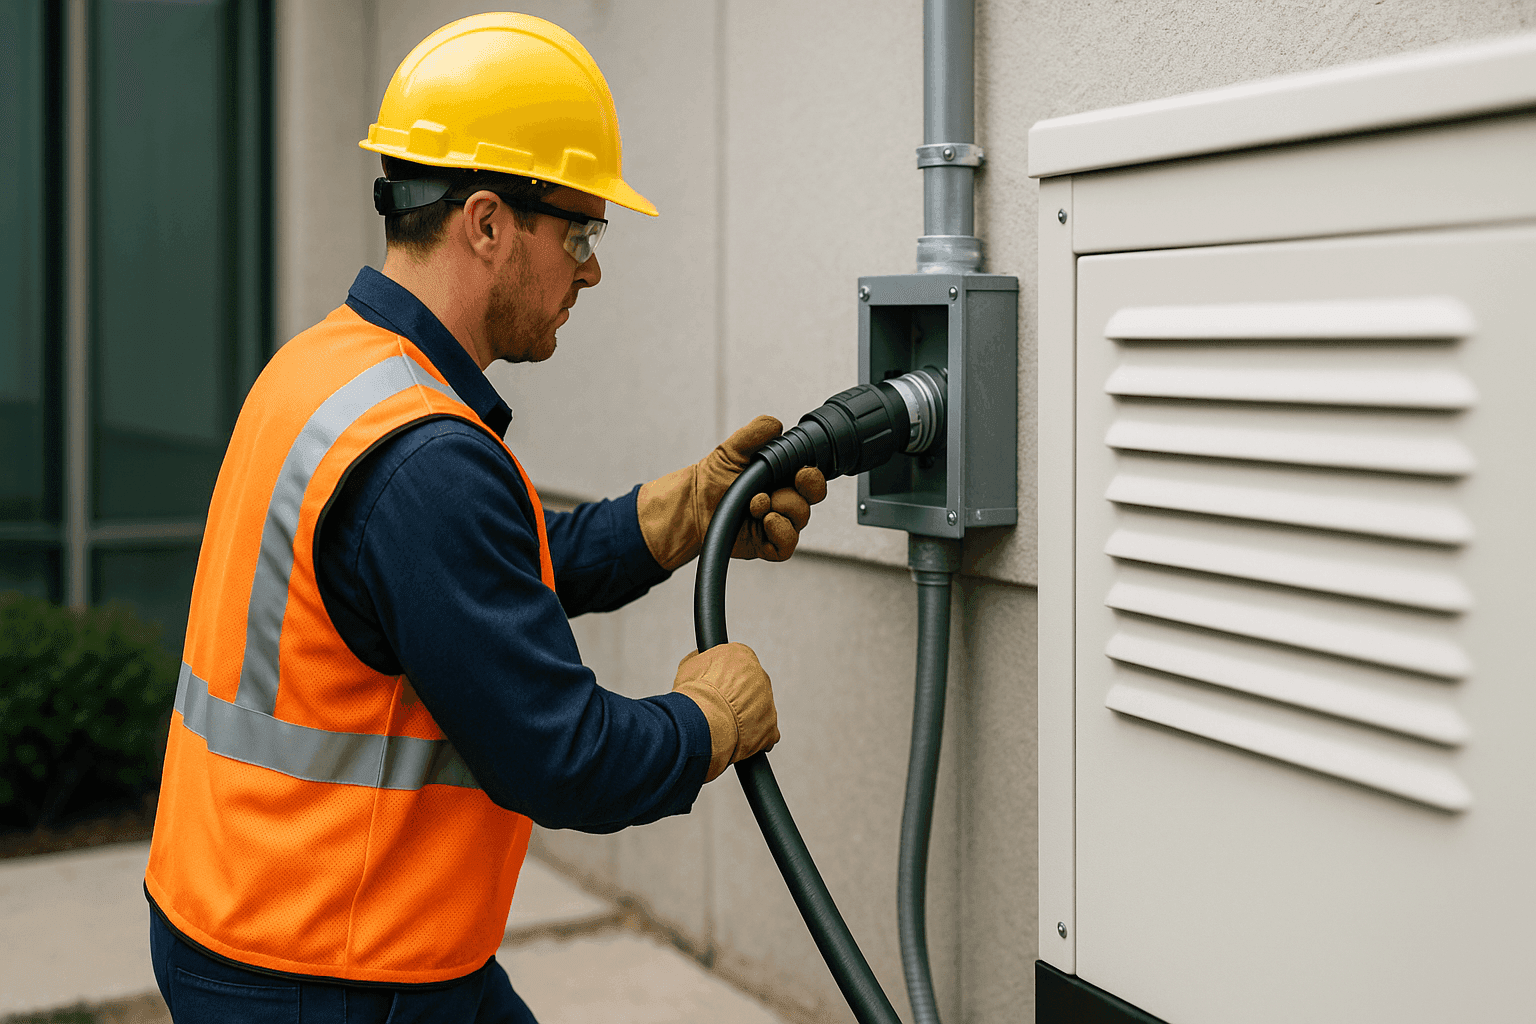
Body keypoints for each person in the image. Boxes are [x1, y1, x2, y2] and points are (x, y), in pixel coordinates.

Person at [143, 13, 825, 1022]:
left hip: (259, 911)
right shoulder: (427, 461)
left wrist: (683, 510)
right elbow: (564, 756)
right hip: (327, 968)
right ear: (488, 223)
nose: (591, 268)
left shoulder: (332, 369)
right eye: (581, 231)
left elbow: (482, 579)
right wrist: (706, 723)